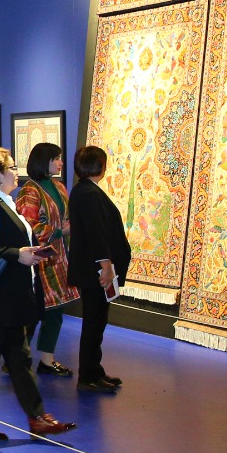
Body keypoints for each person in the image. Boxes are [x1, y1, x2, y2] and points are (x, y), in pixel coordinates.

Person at [0, 147, 76, 440]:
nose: (16, 172)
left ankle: (37, 417)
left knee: (20, 361)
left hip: (9, 299)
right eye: (11, 168)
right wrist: (17, 254)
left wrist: (28, 253)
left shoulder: (5, 203)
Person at [66, 145, 132, 393]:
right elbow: (96, 233)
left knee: (96, 322)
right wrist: (105, 266)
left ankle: (94, 370)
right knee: (94, 323)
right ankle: (88, 375)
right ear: (100, 166)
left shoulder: (83, 190)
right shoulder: (90, 194)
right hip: (94, 271)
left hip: (90, 269)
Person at [15, 142, 76, 379]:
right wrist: (60, 231)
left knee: (55, 310)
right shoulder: (30, 190)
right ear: (45, 161)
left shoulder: (58, 187)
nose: (61, 162)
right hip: (38, 258)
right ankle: (16, 357)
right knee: (33, 311)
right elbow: (28, 225)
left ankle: (46, 359)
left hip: (59, 257)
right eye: (56, 158)